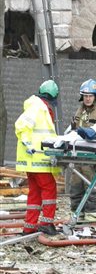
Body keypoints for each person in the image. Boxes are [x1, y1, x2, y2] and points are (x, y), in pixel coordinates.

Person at [15, 79, 60, 236]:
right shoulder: (38, 107)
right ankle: (47, 223)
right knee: (49, 188)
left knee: (35, 192)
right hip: (38, 158)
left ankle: (29, 226)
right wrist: (28, 143)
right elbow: (22, 124)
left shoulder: (38, 106)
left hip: (33, 160)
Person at [69, 78, 96, 216]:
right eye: (85, 96)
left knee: (92, 190)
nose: (87, 99)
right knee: (75, 189)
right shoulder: (79, 111)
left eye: (90, 96)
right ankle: (77, 219)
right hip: (78, 158)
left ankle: (91, 221)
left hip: (93, 160)